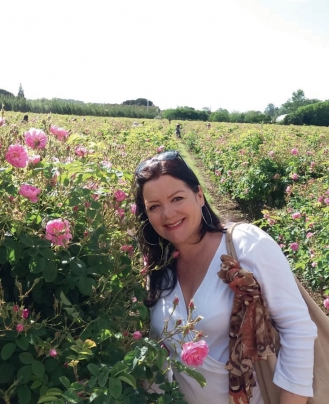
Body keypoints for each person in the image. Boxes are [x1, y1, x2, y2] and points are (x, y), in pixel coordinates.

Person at [134, 150, 316, 404]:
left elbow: (297, 328)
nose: (167, 214)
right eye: (154, 207)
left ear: (199, 195)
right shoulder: (160, 266)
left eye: (177, 198)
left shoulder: (244, 244)